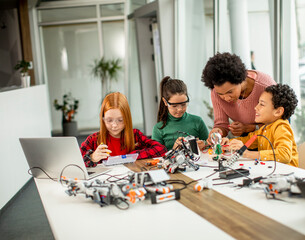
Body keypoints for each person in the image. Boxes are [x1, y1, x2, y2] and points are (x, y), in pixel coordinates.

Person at [201, 52, 276, 142]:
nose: (226, 98)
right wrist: (217, 132)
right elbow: (221, 124)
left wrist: (250, 127)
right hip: (246, 136)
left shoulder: (266, 87)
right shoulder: (216, 91)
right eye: (220, 94)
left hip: (271, 134)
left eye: (230, 92)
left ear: (241, 80)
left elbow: (278, 124)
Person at [80, 92, 167, 167]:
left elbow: (161, 149)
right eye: (109, 120)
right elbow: (74, 163)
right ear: (103, 119)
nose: (114, 125)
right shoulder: (93, 140)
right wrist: (92, 158)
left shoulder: (135, 135)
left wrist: (134, 155)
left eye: (120, 120)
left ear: (127, 119)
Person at [222, 84, 299, 167]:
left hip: (287, 175)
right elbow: (248, 141)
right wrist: (229, 143)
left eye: (261, 104)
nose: (256, 107)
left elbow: (284, 155)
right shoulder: (264, 129)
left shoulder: (281, 127)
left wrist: (248, 154)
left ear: (278, 111)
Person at [152, 76, 209, 151]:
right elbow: (157, 157)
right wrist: (173, 150)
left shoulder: (197, 121)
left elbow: (210, 145)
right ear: (165, 102)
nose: (179, 109)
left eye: (183, 104)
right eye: (174, 106)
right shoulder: (158, 129)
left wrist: (204, 145)